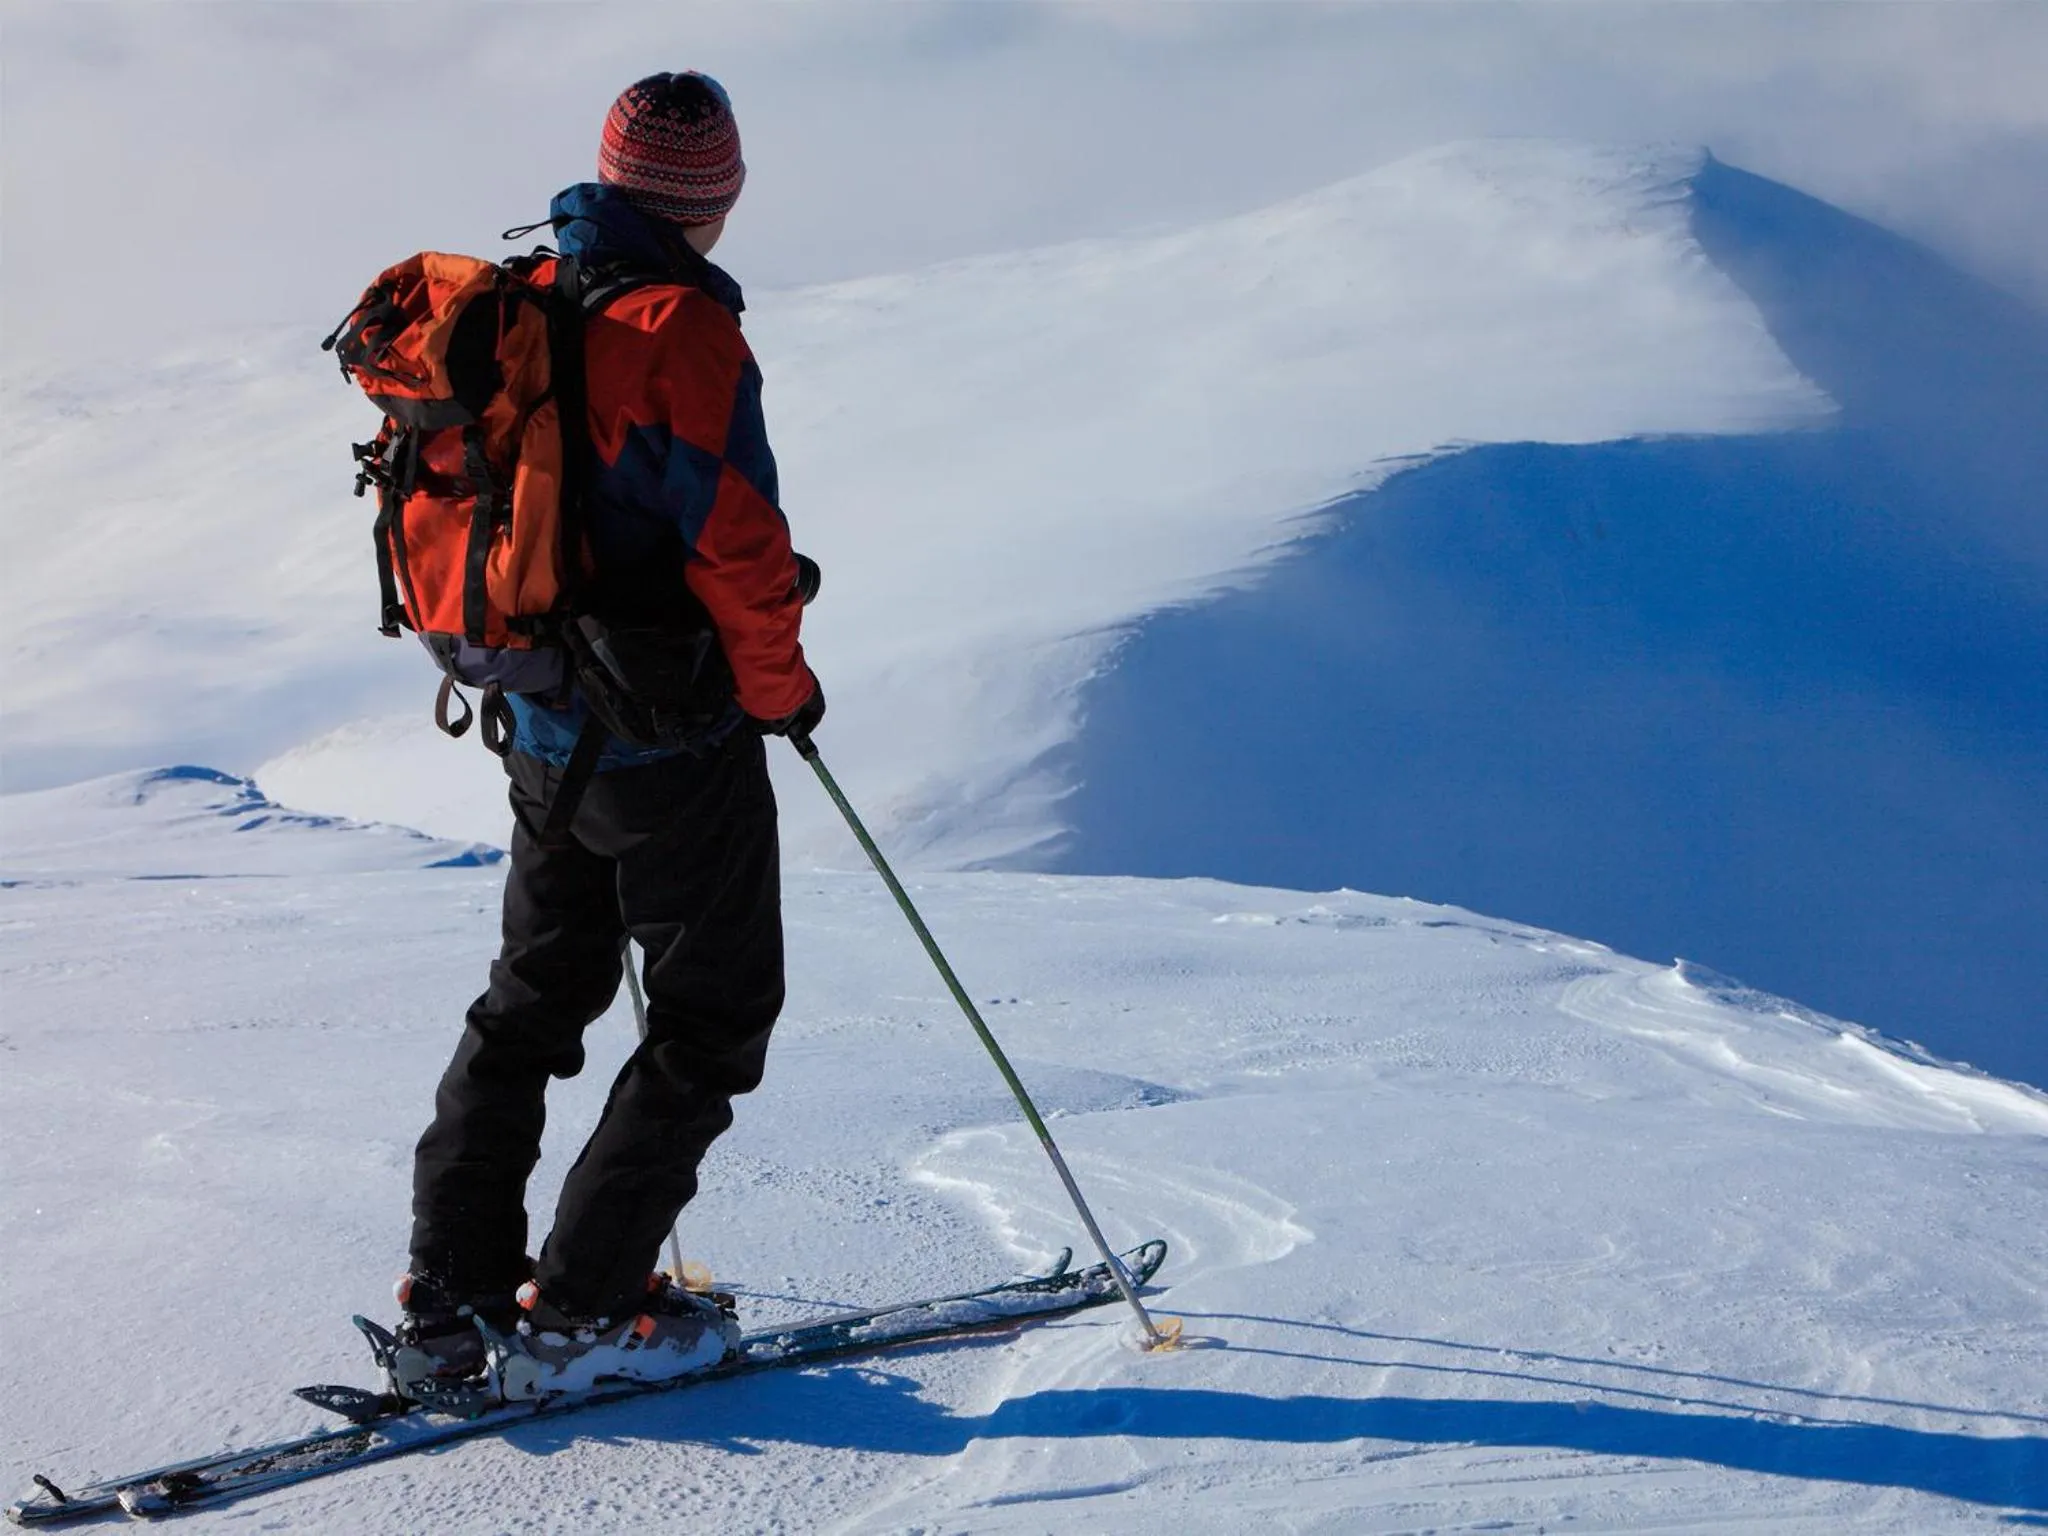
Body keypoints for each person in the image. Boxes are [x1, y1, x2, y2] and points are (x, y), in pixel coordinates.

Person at [391, 70, 823, 1402]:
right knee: (713, 1017)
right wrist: (780, 689)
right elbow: (733, 541)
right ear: (717, 196)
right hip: (661, 728)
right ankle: (580, 1324)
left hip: (534, 716)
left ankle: (452, 1305)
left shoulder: (526, 300)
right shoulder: (672, 329)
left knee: (532, 1000)